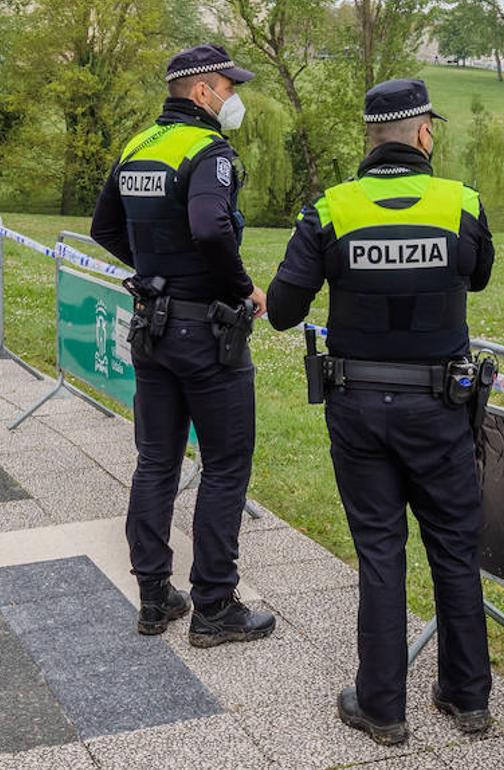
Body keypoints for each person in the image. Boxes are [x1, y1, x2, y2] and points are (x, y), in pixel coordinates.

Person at [265, 78, 496, 746]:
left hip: (359, 407)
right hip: (439, 408)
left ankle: (382, 708)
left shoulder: (330, 210)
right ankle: (467, 698)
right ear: (425, 134)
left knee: (379, 550)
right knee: (453, 546)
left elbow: (283, 311)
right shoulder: (462, 205)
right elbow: (477, 277)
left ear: (369, 137)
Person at [89, 44, 275, 646]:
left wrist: (152, 271)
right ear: (201, 93)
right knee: (224, 467)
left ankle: (153, 597)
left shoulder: (138, 146)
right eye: (228, 87)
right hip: (207, 333)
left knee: (156, 461)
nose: (233, 97)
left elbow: (104, 228)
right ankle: (215, 607)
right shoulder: (207, 152)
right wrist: (242, 288)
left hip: (151, 327)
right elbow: (209, 227)